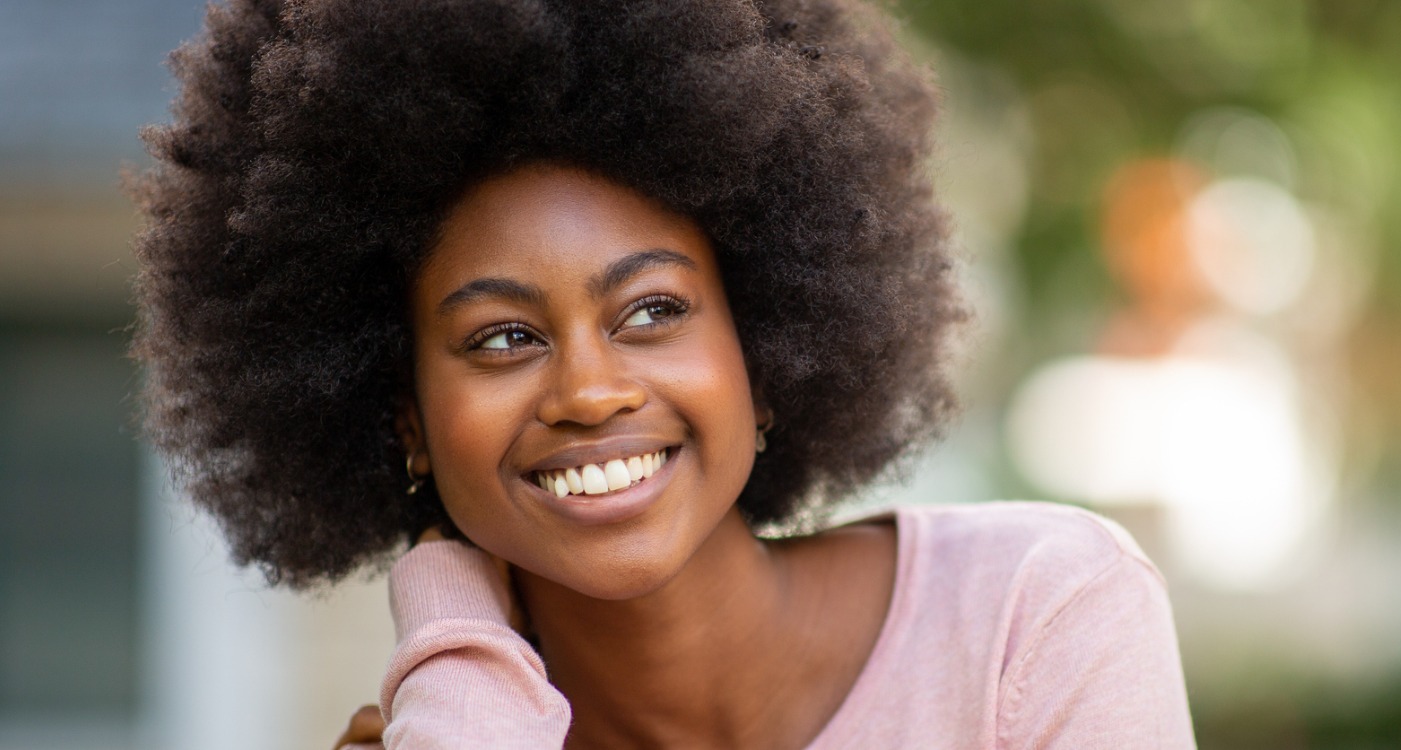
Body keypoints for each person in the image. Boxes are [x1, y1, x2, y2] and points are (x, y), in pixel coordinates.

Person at [131, 0, 1195, 747]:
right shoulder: (463, 725)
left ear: (766, 354)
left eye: (652, 311)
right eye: (502, 337)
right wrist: (454, 622)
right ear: (403, 414)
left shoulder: (1035, 618)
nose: (590, 391)